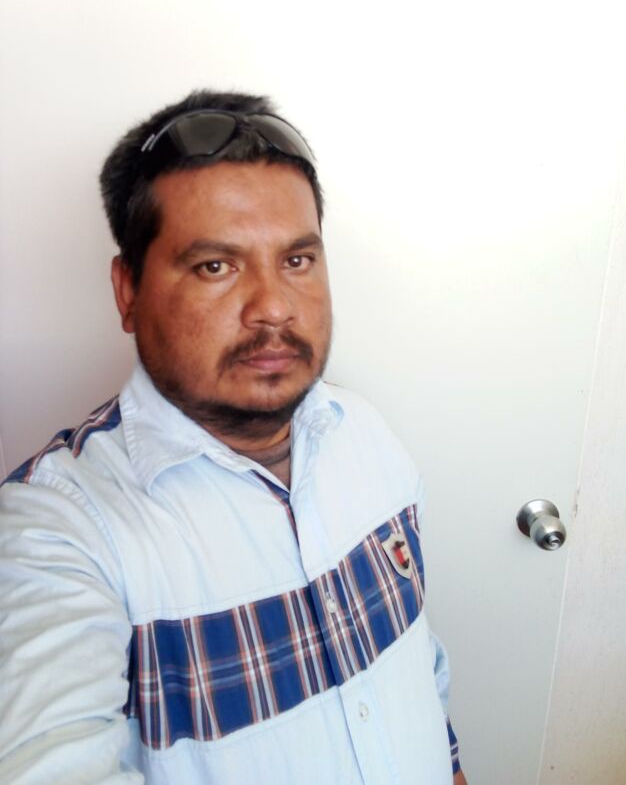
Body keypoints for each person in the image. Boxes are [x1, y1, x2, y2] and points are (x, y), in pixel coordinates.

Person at [0, 91, 467, 784]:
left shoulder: (365, 433)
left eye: (297, 260)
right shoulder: (57, 530)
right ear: (128, 291)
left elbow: (416, 666)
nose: (274, 307)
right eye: (216, 266)